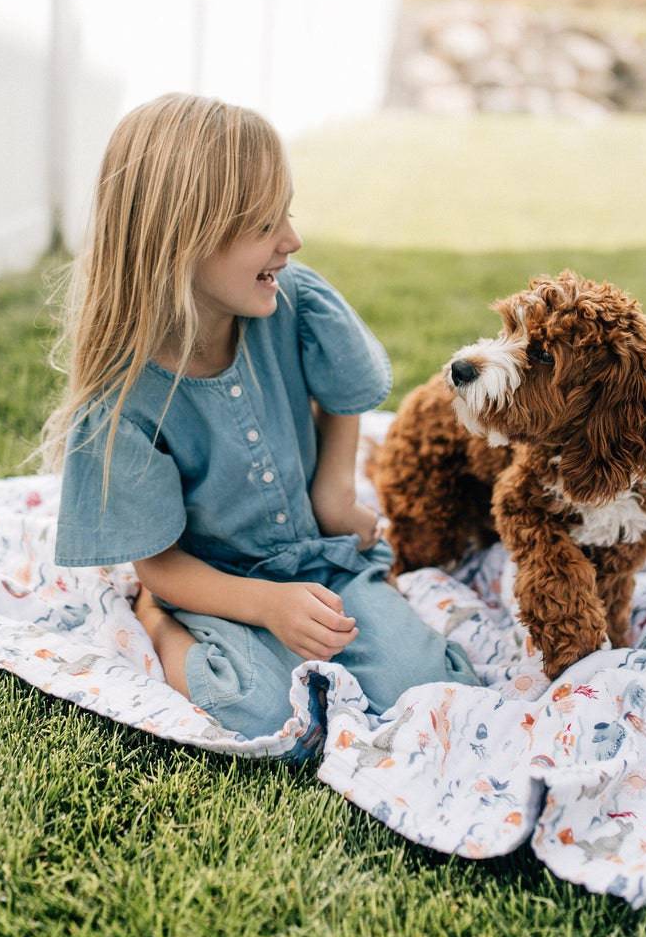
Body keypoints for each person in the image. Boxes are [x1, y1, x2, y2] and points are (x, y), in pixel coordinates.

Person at [37, 92, 480, 758]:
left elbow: (347, 389)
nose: (292, 240)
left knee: (422, 692)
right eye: (265, 224)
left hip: (322, 560)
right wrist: (266, 608)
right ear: (180, 239)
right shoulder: (123, 402)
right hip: (212, 583)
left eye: (287, 214)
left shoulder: (294, 301)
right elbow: (160, 564)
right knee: (262, 712)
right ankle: (158, 629)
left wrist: (333, 493)